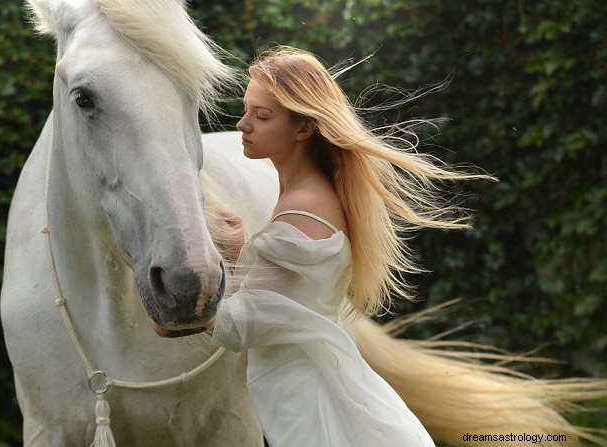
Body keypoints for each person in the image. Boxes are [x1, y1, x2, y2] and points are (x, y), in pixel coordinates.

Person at [206, 46, 484, 446]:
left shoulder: (301, 211)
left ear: (303, 128)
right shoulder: (312, 195)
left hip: (309, 407)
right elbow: (287, 301)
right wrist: (236, 257)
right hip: (309, 392)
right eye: (246, 109)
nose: (242, 124)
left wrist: (179, 305)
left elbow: (235, 328)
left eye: (261, 116)